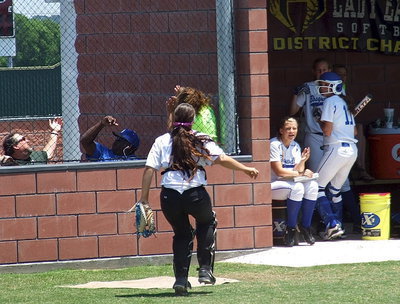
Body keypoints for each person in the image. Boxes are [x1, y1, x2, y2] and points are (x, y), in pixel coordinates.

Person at [138, 103, 258, 296]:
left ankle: (181, 280)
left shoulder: (161, 140)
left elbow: (149, 169)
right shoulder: (200, 138)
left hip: (169, 196)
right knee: (207, 221)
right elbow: (222, 159)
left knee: (182, 234)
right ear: (193, 121)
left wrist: (143, 199)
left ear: (173, 119)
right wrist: (246, 169)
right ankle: (204, 270)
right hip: (195, 195)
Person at [315, 72, 358, 240]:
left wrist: (319, 120)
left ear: (333, 86)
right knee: (334, 190)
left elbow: (327, 130)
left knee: (316, 187)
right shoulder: (345, 101)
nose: (321, 87)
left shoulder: (330, 101)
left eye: (324, 84)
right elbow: (354, 131)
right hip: (352, 150)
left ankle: (333, 224)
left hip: (336, 148)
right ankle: (338, 228)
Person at [270, 117, 318, 247]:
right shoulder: (274, 144)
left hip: (289, 182)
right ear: (281, 130)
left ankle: (305, 226)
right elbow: (279, 172)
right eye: (288, 128)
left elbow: (298, 170)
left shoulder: (295, 145)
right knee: (297, 188)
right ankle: (290, 229)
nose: (291, 131)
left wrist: (302, 160)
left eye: (294, 128)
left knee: (313, 185)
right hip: (272, 184)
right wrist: (301, 173)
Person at [289, 57, 330, 170]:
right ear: (314, 71)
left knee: (334, 173)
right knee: (315, 171)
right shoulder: (308, 87)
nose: (321, 73)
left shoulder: (336, 87)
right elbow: (293, 111)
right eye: (319, 70)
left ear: (329, 70)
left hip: (332, 135)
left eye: (324, 70)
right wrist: (296, 93)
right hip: (314, 135)